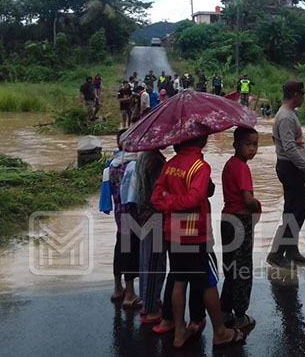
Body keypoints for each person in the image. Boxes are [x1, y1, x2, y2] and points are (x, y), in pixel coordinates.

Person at [151, 136, 245, 349]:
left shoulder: (170, 165)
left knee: (180, 279)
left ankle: (179, 333)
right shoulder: (200, 167)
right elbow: (194, 198)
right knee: (207, 281)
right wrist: (179, 202)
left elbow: (157, 198)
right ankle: (220, 332)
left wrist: (170, 201)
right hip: (194, 234)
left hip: (173, 232)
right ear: (201, 141)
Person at [267, 80, 305, 268]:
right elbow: (289, 147)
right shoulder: (286, 117)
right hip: (290, 167)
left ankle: (292, 250)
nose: (303, 98)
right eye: (302, 94)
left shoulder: (288, 114)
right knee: (295, 212)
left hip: (291, 167)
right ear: (296, 95)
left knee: (295, 210)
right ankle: (277, 253)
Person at [220, 127, 260, 332]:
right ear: (236, 145)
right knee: (243, 269)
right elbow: (247, 199)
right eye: (248, 144)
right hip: (240, 221)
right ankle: (240, 316)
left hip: (226, 219)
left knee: (230, 267)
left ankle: (225, 309)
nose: (252, 149)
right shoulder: (242, 168)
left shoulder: (229, 164)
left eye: (255, 145)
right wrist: (257, 205)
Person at [99, 130, 142, 309]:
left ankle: (118, 288)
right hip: (133, 216)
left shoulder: (112, 166)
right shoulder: (133, 165)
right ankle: (130, 294)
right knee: (130, 252)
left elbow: (106, 195)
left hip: (119, 215)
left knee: (120, 249)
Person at [135, 149, 167, 324]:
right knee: (156, 264)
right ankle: (151, 308)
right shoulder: (155, 161)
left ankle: (148, 301)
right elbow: (159, 193)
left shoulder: (143, 156)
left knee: (147, 260)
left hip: (143, 214)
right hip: (155, 216)